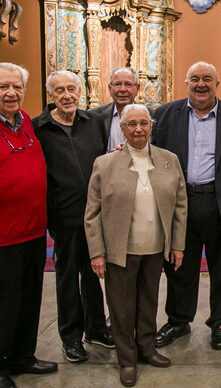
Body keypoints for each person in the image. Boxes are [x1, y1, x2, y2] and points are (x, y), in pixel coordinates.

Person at [152, 61, 221, 350]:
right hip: (179, 204)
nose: (201, 84)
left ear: (217, 83)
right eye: (195, 79)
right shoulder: (164, 115)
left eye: (208, 79)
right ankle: (178, 320)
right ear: (186, 83)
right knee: (178, 265)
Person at [85, 104, 187, 387]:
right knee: (121, 307)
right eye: (132, 124)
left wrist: (177, 245)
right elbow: (92, 213)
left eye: (143, 123)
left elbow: (180, 206)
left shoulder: (169, 160)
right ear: (122, 129)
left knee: (148, 302)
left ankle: (147, 348)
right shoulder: (105, 163)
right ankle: (127, 359)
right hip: (121, 250)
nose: (138, 129)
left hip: (155, 248)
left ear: (151, 127)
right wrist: (97, 252)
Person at [32, 70, 113, 363]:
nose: (66, 96)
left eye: (71, 89)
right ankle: (71, 337)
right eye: (59, 91)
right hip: (63, 216)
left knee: (93, 273)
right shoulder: (37, 128)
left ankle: (96, 328)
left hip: (94, 215)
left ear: (80, 91)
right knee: (67, 278)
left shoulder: (94, 122)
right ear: (50, 95)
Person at [0, 62, 57, 388]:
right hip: (3, 236)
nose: (11, 93)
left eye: (17, 87)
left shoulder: (26, 125)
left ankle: (23, 356)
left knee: (28, 298)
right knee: (4, 303)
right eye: (3, 87)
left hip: (33, 231)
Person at [90, 67, 151, 151]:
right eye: (118, 84)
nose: (122, 89)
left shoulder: (151, 115)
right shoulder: (94, 116)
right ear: (110, 88)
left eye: (128, 84)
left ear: (137, 88)